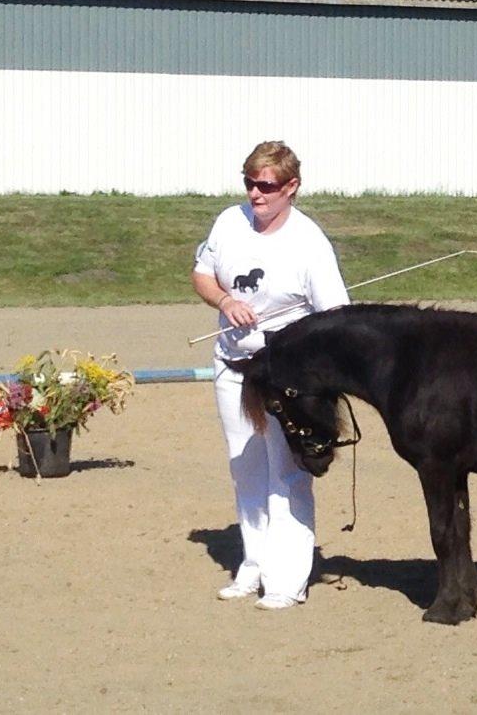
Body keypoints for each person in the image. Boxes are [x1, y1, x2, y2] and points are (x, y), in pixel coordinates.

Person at [192, 141, 349, 610]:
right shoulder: (229, 222)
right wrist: (225, 301)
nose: (255, 194)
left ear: (291, 187)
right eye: (249, 183)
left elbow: (336, 317)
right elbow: (202, 275)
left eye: (266, 185)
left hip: (285, 375)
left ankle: (288, 579)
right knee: (245, 466)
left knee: (286, 471)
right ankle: (254, 564)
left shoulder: (309, 243)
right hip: (232, 364)